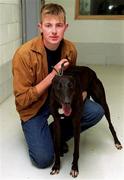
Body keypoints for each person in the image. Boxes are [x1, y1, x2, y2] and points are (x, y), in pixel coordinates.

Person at [12, 3, 104, 169]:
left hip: (61, 101)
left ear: (65, 27)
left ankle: (55, 131)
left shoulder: (70, 49)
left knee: (95, 111)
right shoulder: (23, 55)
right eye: (48, 25)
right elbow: (22, 101)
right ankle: (45, 135)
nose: (54, 31)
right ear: (40, 27)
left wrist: (81, 92)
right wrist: (52, 75)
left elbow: (72, 81)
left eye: (58, 25)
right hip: (34, 107)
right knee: (44, 159)